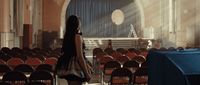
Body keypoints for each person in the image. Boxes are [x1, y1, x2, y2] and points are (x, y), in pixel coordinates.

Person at [61, 15, 91, 85]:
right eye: (79, 21)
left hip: (68, 66)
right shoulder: (77, 36)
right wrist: (86, 74)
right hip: (76, 67)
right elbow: (79, 56)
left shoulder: (67, 36)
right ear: (77, 24)